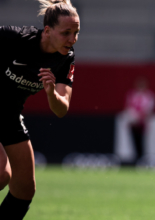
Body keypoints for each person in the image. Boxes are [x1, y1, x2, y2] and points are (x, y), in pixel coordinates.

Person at [0, 0, 79, 219]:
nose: (72, 39)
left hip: (9, 115)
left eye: (76, 32)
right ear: (47, 30)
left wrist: (51, 92)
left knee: (25, 189)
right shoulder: (13, 39)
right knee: (1, 175)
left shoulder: (66, 59)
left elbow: (61, 109)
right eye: (66, 32)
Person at [124, 76, 155, 165]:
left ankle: (142, 159)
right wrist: (132, 116)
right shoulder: (132, 94)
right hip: (133, 122)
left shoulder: (149, 96)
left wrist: (141, 117)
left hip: (142, 122)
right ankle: (136, 159)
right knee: (134, 140)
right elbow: (128, 107)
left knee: (141, 140)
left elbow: (149, 109)